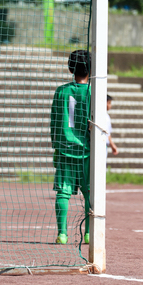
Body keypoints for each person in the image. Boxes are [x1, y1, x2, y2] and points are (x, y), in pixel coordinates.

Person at [50, 50, 92, 244]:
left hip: (65, 148)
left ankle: (62, 234)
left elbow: (55, 121)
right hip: (88, 150)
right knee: (90, 191)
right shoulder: (94, 92)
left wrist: (56, 145)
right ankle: (90, 233)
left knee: (63, 192)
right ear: (91, 69)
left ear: (70, 68)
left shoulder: (61, 91)